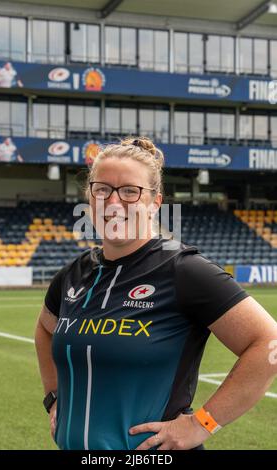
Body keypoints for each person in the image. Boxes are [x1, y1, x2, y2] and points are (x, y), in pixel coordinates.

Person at [35, 136, 277, 451]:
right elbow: (44, 329)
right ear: (89, 196)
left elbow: (269, 344)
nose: (113, 203)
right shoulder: (73, 275)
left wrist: (201, 424)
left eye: (130, 192)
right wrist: (53, 397)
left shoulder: (184, 271)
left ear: (155, 202)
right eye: (102, 189)